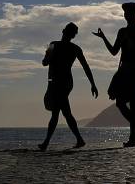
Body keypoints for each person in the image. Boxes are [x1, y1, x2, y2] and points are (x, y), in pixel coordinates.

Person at [94, 2, 135, 147]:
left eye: (129, 12)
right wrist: (103, 38)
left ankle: (133, 137)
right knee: (120, 102)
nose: (127, 15)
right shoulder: (122, 32)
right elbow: (114, 52)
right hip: (124, 70)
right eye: (125, 13)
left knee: (133, 101)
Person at [39, 22, 98, 151]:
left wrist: (93, 84)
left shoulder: (54, 45)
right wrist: (92, 84)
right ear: (73, 35)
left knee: (57, 113)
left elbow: (45, 62)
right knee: (64, 112)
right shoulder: (70, 48)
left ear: (63, 31)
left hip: (60, 83)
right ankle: (78, 139)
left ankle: (46, 143)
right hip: (61, 82)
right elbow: (86, 67)